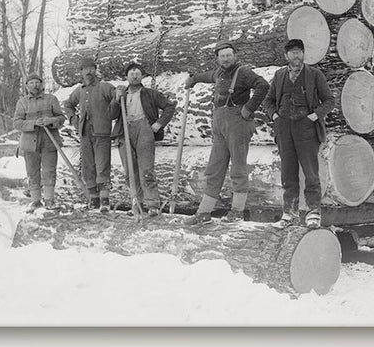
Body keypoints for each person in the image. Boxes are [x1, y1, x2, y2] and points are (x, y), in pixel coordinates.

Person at [191, 43, 270, 225]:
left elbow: (263, 85)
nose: (226, 59)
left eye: (228, 55)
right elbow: (207, 75)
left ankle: (237, 212)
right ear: (217, 59)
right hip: (220, 124)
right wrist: (193, 79)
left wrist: (248, 109)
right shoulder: (218, 73)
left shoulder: (243, 72)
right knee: (214, 168)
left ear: (234, 56)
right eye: (222, 56)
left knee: (238, 168)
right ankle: (204, 212)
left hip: (238, 123)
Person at [261, 38, 333, 226]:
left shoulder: (314, 75)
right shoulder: (279, 76)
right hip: (284, 129)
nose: (296, 56)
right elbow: (268, 100)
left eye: (299, 52)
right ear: (286, 56)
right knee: (288, 173)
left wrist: (314, 116)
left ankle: (313, 213)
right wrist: (275, 116)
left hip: (306, 128)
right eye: (292, 52)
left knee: (310, 173)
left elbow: (329, 101)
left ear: (303, 54)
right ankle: (289, 213)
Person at [110, 62, 176, 213]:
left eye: (137, 73)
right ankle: (136, 205)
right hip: (124, 132)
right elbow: (112, 115)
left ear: (142, 77)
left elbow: (169, 106)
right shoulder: (121, 94)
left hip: (144, 131)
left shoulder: (150, 94)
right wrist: (116, 100)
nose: (134, 75)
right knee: (130, 172)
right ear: (126, 77)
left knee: (146, 169)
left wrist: (159, 124)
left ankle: (152, 205)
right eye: (131, 73)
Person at [62, 57, 120, 210]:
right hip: (85, 134)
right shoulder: (79, 90)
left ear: (95, 70)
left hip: (102, 133)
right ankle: (93, 199)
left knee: (102, 165)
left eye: (91, 68)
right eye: (85, 69)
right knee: (88, 166)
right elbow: (68, 104)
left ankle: (105, 201)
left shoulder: (104, 87)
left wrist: (119, 92)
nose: (88, 71)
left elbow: (116, 94)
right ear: (80, 72)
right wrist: (74, 119)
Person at [13, 73, 65, 211]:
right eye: (31, 83)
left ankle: (49, 199)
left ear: (41, 84)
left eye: (37, 82)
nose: (35, 85)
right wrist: (34, 123)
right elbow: (17, 123)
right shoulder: (22, 102)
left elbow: (61, 118)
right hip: (30, 143)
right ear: (26, 86)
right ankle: (35, 200)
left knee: (49, 171)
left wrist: (51, 121)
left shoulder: (51, 99)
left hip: (49, 141)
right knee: (32, 172)